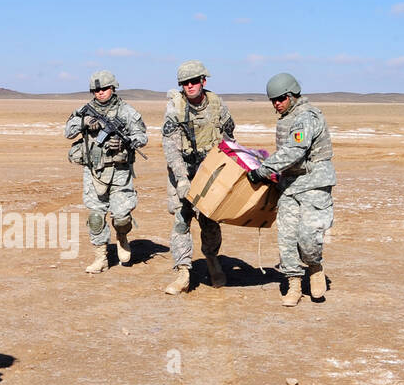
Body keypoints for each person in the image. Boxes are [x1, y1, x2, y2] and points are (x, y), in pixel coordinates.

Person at [247, 72, 335, 307]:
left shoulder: (307, 117)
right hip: (289, 185)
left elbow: (295, 150)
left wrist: (263, 170)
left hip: (313, 184)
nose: (277, 104)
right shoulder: (287, 118)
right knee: (286, 237)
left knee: (308, 237)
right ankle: (294, 282)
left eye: (281, 98)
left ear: (293, 95)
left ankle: (315, 267)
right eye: (273, 100)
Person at [162, 60, 235, 294]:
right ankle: (183, 272)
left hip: (210, 171)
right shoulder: (175, 107)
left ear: (203, 81)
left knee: (210, 221)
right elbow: (171, 148)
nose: (190, 86)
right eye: (185, 83)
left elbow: (228, 137)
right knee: (182, 221)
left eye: (194, 81)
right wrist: (182, 179)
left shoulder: (216, 104)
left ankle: (212, 259)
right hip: (182, 169)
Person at [64, 70, 147, 273]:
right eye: (96, 89)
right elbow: (68, 131)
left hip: (119, 171)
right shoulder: (85, 110)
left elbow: (141, 136)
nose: (100, 92)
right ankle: (100, 258)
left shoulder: (126, 111)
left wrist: (126, 143)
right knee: (95, 217)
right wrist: (83, 123)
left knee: (121, 216)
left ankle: (122, 237)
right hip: (94, 171)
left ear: (113, 88)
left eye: (104, 89)